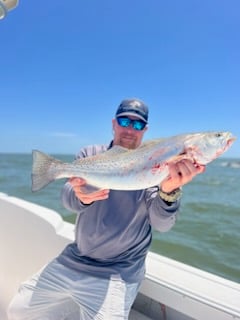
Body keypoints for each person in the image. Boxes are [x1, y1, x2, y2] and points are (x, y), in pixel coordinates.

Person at [8, 98, 205, 320]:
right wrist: (80, 196)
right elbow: (69, 199)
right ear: (114, 123)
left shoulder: (156, 164)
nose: (130, 129)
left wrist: (168, 192)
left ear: (145, 130)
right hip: (75, 258)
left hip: (119, 271)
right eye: (125, 121)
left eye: (138, 124)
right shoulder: (91, 153)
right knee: (17, 311)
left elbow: (162, 224)